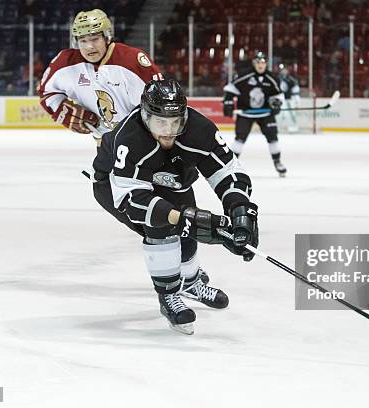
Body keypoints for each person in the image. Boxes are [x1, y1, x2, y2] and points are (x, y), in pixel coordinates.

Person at [91, 79, 259, 335]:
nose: (168, 130)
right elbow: (132, 200)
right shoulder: (131, 137)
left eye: (175, 122)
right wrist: (184, 218)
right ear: (145, 116)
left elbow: (227, 171)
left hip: (173, 182)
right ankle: (168, 295)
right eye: (160, 122)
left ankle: (191, 283)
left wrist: (240, 211)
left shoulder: (199, 128)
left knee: (188, 229)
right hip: (113, 186)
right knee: (165, 228)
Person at [38, 9, 162, 144]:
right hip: (104, 143)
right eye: (83, 41)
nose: (89, 46)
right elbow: (46, 92)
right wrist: (64, 112)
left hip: (143, 142)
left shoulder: (131, 60)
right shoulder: (65, 63)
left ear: (107, 36)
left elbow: (161, 101)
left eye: (95, 39)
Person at [223, 51, 287, 177]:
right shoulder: (244, 75)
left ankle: (277, 162)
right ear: (254, 63)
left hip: (265, 113)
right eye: (258, 62)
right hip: (245, 113)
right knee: (240, 139)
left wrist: (276, 105)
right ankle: (230, 165)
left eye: (263, 62)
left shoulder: (272, 78)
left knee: (273, 138)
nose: (260, 65)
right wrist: (228, 103)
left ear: (266, 64)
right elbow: (230, 90)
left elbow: (278, 95)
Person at [277, 64, 300, 133]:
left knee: (291, 114)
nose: (283, 71)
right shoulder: (276, 79)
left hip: (289, 100)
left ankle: (293, 126)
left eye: (285, 70)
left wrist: (297, 100)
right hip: (279, 99)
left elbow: (295, 90)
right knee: (279, 114)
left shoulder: (291, 80)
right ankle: (277, 127)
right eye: (282, 70)